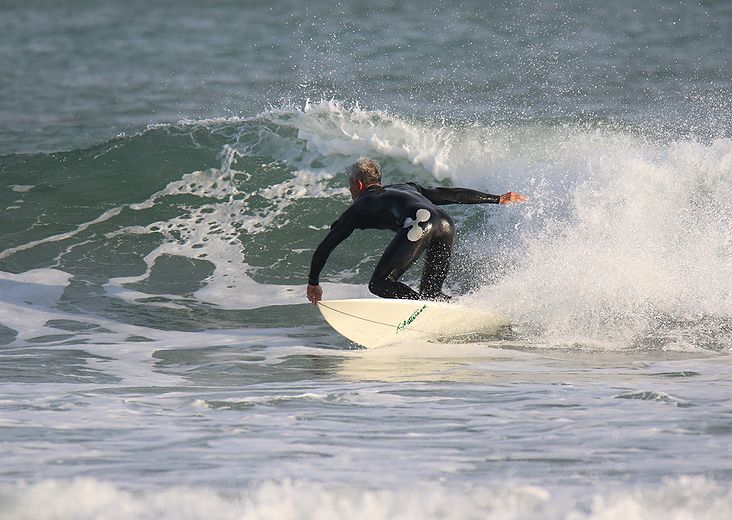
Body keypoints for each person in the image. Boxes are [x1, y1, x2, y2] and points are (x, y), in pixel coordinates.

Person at [306, 158, 527, 305]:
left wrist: (313, 282)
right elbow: (451, 195)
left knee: (380, 283)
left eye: (350, 186)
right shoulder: (407, 187)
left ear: (359, 185)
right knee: (432, 294)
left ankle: (421, 308)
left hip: (419, 223)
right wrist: (497, 198)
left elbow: (325, 247)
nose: (350, 191)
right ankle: (458, 308)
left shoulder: (360, 206)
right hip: (445, 223)